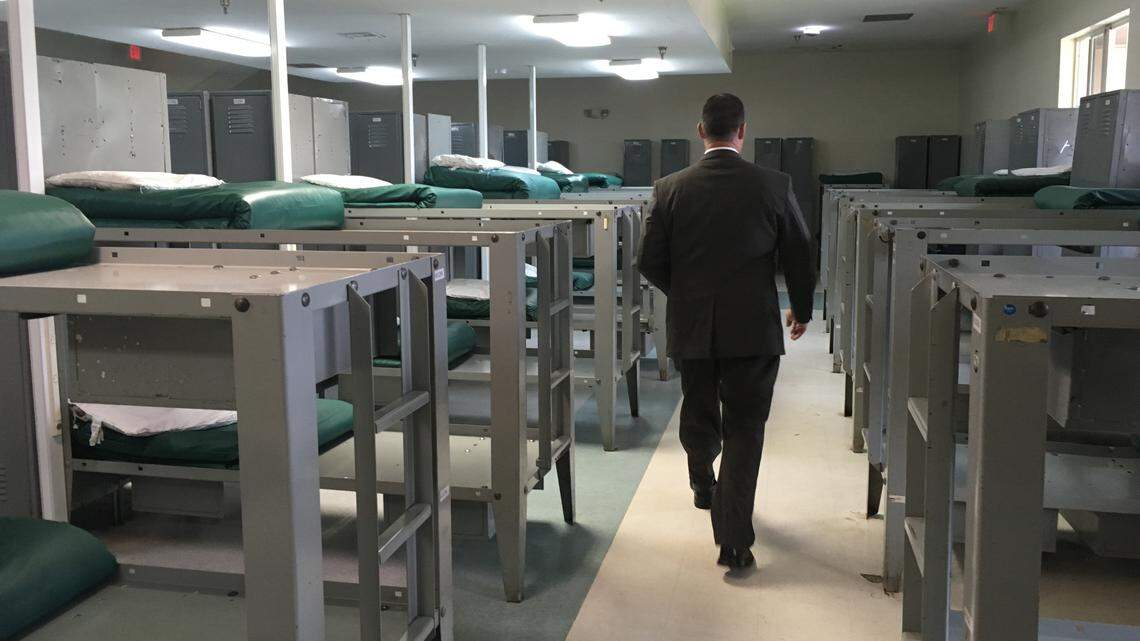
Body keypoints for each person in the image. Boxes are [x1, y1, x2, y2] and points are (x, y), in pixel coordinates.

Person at [638, 93, 817, 570]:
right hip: (753, 327)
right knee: (745, 428)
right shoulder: (774, 184)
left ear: (701, 131)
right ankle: (733, 541)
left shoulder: (669, 187)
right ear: (743, 130)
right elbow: (800, 250)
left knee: (698, 407)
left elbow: (649, 261)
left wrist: (688, 294)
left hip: (692, 324)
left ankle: (702, 483)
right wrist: (800, 308)